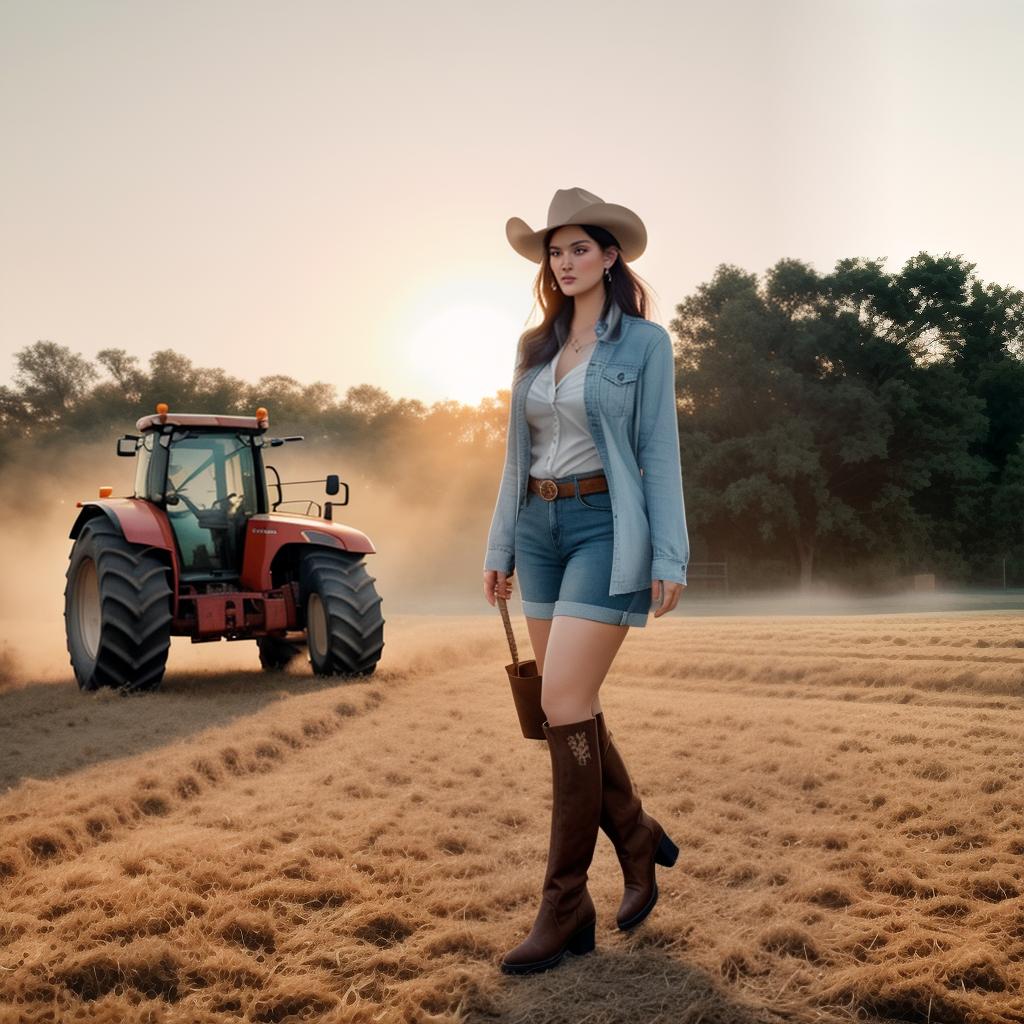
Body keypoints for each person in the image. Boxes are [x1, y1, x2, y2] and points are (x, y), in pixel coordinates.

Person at [482, 187, 689, 975]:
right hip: (537, 529)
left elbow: (660, 451)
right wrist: (500, 544)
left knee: (561, 700)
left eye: (578, 249)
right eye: (553, 251)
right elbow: (512, 458)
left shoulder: (644, 344)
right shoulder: (532, 349)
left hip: (607, 526)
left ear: (610, 257)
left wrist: (670, 554)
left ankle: (563, 904)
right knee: (568, 709)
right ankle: (636, 836)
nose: (564, 263)